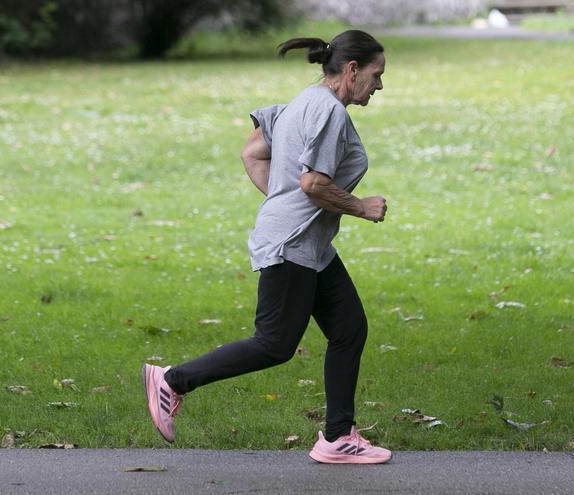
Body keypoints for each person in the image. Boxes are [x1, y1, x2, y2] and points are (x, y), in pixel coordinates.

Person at [143, 30, 391, 464]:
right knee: (274, 344)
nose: (380, 86)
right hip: (292, 244)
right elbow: (313, 183)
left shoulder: (302, 102)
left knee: (349, 328)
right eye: (376, 75)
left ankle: (337, 438)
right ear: (352, 70)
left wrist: (280, 203)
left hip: (309, 245)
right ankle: (172, 380)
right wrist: (360, 206)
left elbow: (252, 153)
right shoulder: (329, 112)